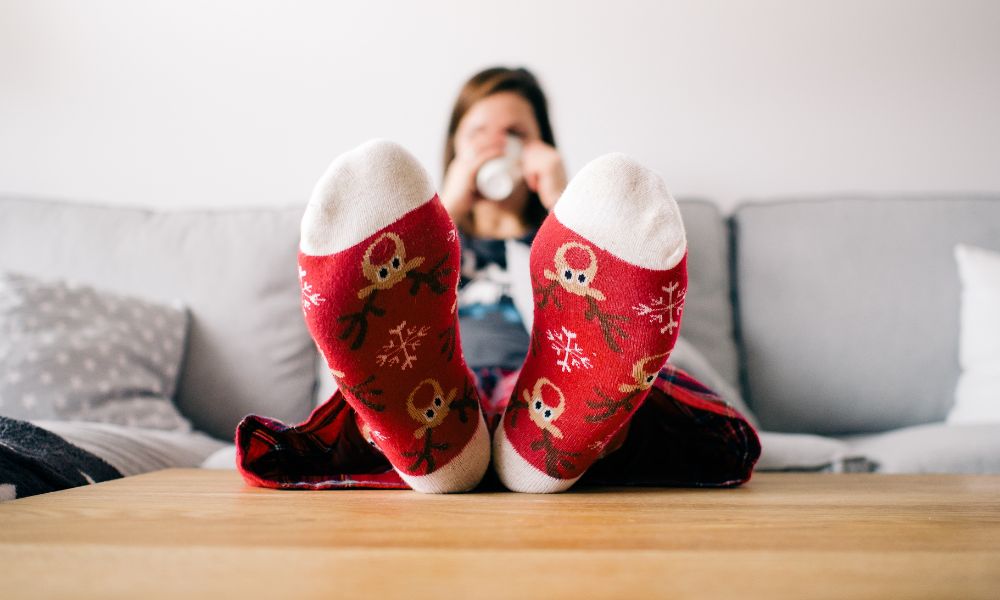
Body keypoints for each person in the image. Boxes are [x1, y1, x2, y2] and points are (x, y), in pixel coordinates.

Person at [234, 66, 760, 494]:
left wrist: (563, 202)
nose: (497, 147)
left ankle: (530, 444)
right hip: (433, 383)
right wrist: (447, 209)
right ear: (454, 153)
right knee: (388, 394)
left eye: (517, 136)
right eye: (479, 136)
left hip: (551, 382)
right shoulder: (422, 243)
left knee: (614, 390)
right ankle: (459, 445)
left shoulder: (578, 246)